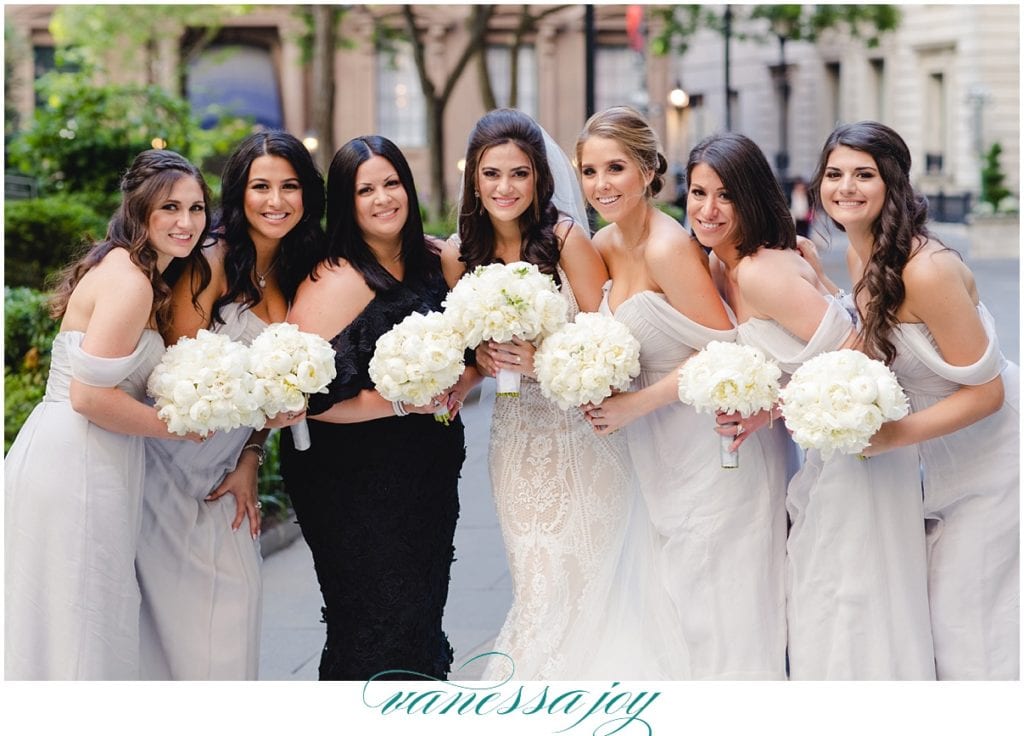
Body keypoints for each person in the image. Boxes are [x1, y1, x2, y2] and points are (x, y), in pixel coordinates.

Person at [441, 107, 678, 680]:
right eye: (492, 174)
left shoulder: (569, 239)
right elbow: (474, 350)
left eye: (519, 174)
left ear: (539, 178)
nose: (505, 187)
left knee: (590, 577)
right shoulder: (457, 256)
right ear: (473, 177)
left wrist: (543, 361)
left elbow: (611, 346)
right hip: (518, 440)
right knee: (538, 575)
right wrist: (476, 367)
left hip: (586, 432)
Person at [692, 131, 935, 679]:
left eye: (725, 195)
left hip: (859, 447)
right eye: (697, 192)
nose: (708, 209)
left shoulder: (758, 271)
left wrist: (768, 408)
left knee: (846, 603)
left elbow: (854, 363)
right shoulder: (721, 265)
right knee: (823, 599)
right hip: (825, 451)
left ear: (751, 197)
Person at [575, 106, 788, 679]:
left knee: (723, 606)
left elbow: (726, 354)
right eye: (589, 172)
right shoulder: (603, 242)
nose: (601, 185)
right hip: (657, 449)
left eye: (615, 168)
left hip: (712, 447)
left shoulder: (670, 247)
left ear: (647, 169)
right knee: (681, 604)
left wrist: (633, 404)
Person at [811, 121, 1019, 679]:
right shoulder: (862, 258)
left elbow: (989, 392)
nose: (845, 188)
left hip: (997, 459)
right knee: (949, 617)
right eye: (834, 174)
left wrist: (890, 438)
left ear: (893, 184)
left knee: (968, 623)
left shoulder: (926, 269)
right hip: (943, 459)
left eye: (864, 175)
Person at [5, 149, 210, 679]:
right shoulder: (131, 281)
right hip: (79, 460)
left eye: (196, 208)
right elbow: (89, 397)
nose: (186, 222)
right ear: (139, 211)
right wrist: (180, 426)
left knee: (65, 614)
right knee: (80, 616)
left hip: (78, 452)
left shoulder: (126, 266)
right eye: (170, 208)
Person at [280, 136, 468, 681]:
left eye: (392, 184)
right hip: (351, 482)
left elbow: (473, 351)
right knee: (369, 623)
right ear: (346, 201)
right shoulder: (332, 280)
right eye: (366, 189)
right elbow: (302, 402)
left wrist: (465, 380)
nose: (383, 198)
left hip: (427, 471)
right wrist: (401, 403)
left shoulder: (435, 260)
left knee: (418, 619)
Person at [136, 131, 322, 679]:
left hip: (226, 471)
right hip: (167, 468)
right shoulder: (209, 262)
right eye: (260, 186)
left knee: (235, 615)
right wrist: (258, 406)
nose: (276, 200)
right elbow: (179, 380)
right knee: (175, 635)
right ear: (238, 192)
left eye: (290, 186)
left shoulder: (298, 267)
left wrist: (251, 455)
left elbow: (272, 396)